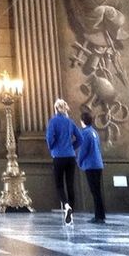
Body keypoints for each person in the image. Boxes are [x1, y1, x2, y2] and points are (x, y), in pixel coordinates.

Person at [45, 96, 80, 224]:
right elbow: (80, 138)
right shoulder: (70, 122)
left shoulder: (53, 122)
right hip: (71, 157)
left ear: (55, 109)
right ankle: (72, 213)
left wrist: (53, 149)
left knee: (59, 184)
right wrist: (72, 147)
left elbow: (50, 138)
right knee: (70, 184)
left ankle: (66, 206)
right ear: (65, 109)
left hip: (58, 157)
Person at [76, 110, 106, 223]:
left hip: (91, 165)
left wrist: (79, 161)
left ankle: (99, 216)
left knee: (94, 191)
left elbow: (83, 150)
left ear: (82, 121)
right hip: (98, 164)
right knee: (97, 191)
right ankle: (100, 215)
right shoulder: (94, 132)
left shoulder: (85, 133)